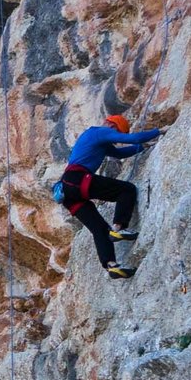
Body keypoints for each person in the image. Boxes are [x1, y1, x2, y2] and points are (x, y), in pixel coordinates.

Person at [53, 113, 163, 278]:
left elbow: (119, 154)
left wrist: (143, 147)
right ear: (113, 126)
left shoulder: (99, 141)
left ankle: (111, 265)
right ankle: (118, 227)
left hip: (68, 192)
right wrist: (159, 131)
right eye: (116, 135)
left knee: (99, 228)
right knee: (126, 190)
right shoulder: (99, 132)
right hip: (77, 179)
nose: (114, 140)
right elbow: (132, 138)